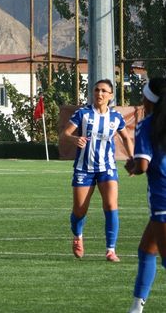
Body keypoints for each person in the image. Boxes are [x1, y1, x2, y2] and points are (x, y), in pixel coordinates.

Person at [61, 78, 133, 262]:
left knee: (111, 206)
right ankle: (78, 236)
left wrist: (132, 159)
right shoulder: (83, 114)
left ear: (110, 95)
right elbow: (65, 134)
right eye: (96, 90)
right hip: (84, 169)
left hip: (107, 168)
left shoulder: (115, 117)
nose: (99, 94)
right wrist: (74, 139)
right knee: (79, 210)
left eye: (103, 91)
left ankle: (111, 250)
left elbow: (126, 138)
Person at [125, 78, 166, 313]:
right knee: (146, 249)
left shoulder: (148, 125)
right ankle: (136, 308)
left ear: (148, 101)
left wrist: (132, 166)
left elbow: (141, 165)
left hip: (163, 199)